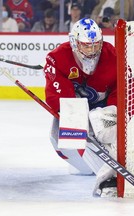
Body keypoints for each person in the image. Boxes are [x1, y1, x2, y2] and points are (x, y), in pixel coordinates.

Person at [43, 18, 117, 197]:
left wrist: (114, 110)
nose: (92, 51)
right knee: (59, 139)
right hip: (73, 107)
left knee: (110, 134)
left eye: (95, 45)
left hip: (103, 106)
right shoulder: (58, 57)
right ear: (75, 42)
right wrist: (76, 119)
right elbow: (56, 97)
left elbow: (124, 87)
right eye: (86, 46)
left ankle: (110, 177)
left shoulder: (112, 55)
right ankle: (88, 165)